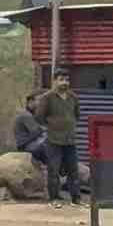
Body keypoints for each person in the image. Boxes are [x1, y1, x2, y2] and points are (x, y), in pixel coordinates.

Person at [35, 69, 81, 207]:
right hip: (53, 140)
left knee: (73, 170)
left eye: (67, 80)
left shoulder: (73, 97)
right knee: (53, 170)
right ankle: (54, 199)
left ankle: (76, 199)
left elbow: (76, 115)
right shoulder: (47, 98)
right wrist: (51, 126)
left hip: (70, 139)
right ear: (55, 81)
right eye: (61, 80)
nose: (64, 83)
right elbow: (39, 116)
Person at [13, 93, 47, 164]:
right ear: (31, 102)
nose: (39, 104)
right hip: (26, 146)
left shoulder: (27, 114)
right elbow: (37, 131)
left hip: (27, 145)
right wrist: (42, 130)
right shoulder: (26, 115)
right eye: (37, 101)